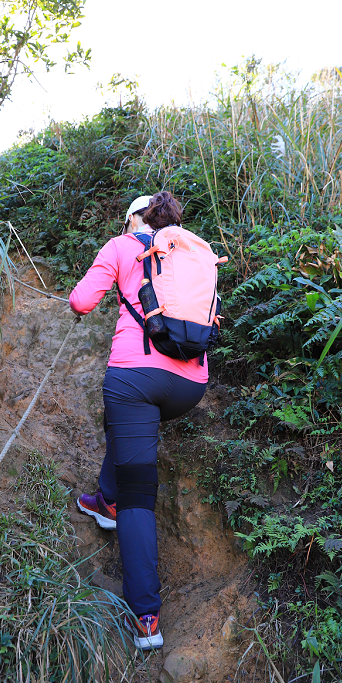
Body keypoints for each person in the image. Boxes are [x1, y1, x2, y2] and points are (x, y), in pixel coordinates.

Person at [69, 191, 207, 650]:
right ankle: (103, 501)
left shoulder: (122, 245)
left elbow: (82, 301)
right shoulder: (189, 252)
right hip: (190, 385)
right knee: (132, 441)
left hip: (135, 379)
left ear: (134, 218)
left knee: (138, 496)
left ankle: (146, 617)